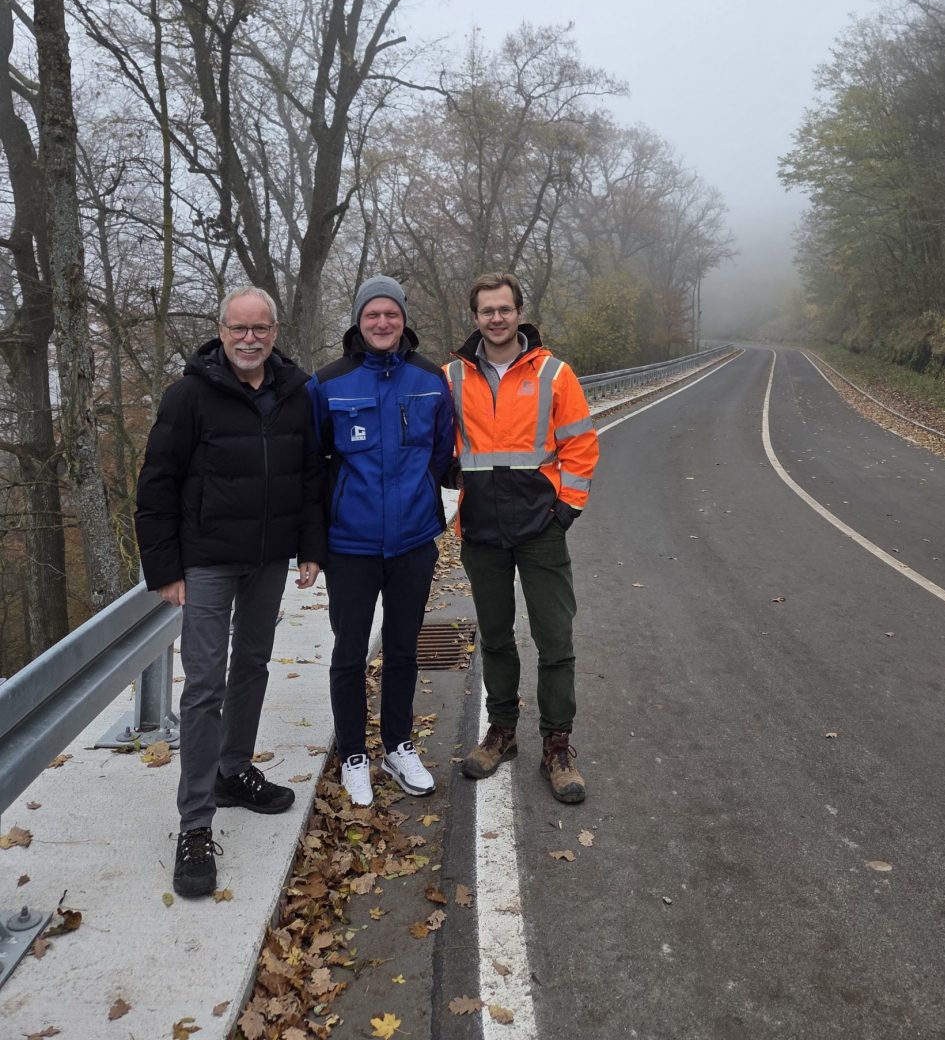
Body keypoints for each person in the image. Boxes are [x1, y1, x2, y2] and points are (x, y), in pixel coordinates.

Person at [135, 286, 325, 900]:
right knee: (206, 683)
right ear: (221, 330)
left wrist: (310, 547)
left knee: (252, 665)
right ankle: (195, 826)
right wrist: (164, 568)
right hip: (209, 560)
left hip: (268, 559)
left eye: (260, 328)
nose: (250, 339)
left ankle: (234, 771)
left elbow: (310, 476)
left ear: (274, 331)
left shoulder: (295, 394)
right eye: (239, 328)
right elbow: (157, 484)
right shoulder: (189, 396)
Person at [444, 272, 599, 803]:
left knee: (555, 641)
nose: (496, 318)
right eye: (486, 310)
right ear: (475, 317)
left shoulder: (555, 374)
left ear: (519, 312)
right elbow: (438, 445)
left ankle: (558, 745)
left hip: (541, 531)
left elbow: (580, 446)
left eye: (504, 309)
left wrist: (564, 512)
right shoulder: (452, 377)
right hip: (482, 531)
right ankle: (502, 732)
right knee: (495, 638)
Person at [308, 276, 455, 807]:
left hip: (414, 540)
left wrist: (417, 496)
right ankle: (353, 753)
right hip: (350, 544)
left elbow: (440, 454)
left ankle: (397, 745)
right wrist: (315, 543)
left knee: (402, 648)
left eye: (391, 313)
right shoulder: (328, 384)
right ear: (357, 320)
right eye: (372, 314)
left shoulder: (431, 380)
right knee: (349, 651)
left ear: (404, 319)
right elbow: (314, 467)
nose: (382, 323)